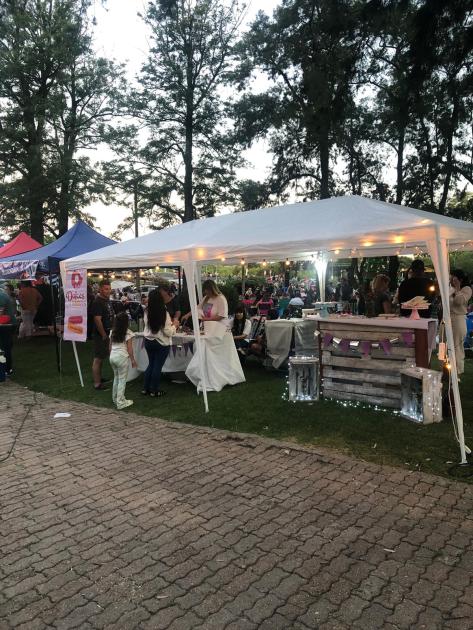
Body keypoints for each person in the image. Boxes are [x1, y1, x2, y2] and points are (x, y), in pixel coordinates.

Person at [142, 289, 176, 397]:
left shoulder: (147, 311)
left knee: (151, 364)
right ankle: (154, 390)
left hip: (148, 341)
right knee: (157, 366)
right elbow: (168, 332)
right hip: (160, 343)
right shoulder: (163, 313)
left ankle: (146, 388)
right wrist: (175, 325)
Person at [90, 279, 114, 390]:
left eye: (109, 289)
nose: (108, 291)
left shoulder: (107, 300)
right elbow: (97, 320)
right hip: (101, 335)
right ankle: (97, 383)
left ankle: (99, 378)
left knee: (102, 356)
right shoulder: (97, 302)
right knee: (98, 358)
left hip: (108, 333)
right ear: (100, 289)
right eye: (106, 289)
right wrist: (103, 334)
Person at [109, 312, 136, 410]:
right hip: (122, 357)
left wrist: (111, 355)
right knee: (122, 380)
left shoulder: (112, 332)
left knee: (116, 377)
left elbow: (110, 346)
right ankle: (120, 402)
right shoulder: (128, 333)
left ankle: (115, 398)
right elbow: (129, 349)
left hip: (112, 356)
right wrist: (132, 360)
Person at [450, 269, 472, 375]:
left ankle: (457, 371)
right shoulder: (451, 289)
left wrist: (458, 287)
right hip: (447, 320)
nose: (451, 279)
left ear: (460, 279)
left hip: (458, 320)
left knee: (457, 346)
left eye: (453, 277)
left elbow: (459, 302)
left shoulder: (467, 289)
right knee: (445, 345)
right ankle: (446, 370)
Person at [0, 284, 17, 375]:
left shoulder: (1, 296)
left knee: (5, 348)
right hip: (4, 325)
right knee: (4, 347)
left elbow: (0, 313)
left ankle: (7, 369)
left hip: (5, 326)